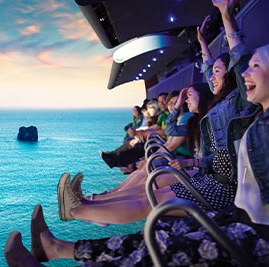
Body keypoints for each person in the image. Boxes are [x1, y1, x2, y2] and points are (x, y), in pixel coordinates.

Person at [4, 44, 269, 267]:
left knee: (161, 245)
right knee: (155, 234)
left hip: (257, 235)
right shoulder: (253, 121)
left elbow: (233, 70)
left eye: (255, 65)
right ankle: (59, 247)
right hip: (240, 217)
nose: (245, 71)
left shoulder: (250, 121)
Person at [58, 0, 252, 224]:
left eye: (218, 72)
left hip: (222, 190)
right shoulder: (219, 101)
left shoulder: (239, 102)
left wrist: (226, 16)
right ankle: (90, 203)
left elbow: (240, 58)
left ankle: (77, 210)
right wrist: (202, 43)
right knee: (149, 189)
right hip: (207, 177)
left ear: (232, 76)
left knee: (148, 197)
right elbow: (207, 69)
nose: (211, 75)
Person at [76, 83, 212, 201]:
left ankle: (104, 198)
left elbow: (171, 141)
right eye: (172, 102)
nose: (184, 101)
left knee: (147, 177)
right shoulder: (190, 118)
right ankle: (108, 195)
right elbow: (169, 135)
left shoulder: (188, 118)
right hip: (180, 159)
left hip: (181, 159)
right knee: (144, 171)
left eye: (187, 97)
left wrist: (154, 158)